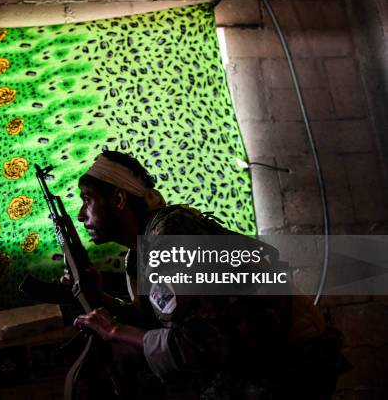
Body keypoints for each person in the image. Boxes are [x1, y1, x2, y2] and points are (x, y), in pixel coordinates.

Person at [71, 150, 349, 400]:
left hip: (291, 360)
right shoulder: (139, 255)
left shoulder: (170, 237)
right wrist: (98, 296)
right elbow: (155, 319)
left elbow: (199, 345)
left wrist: (116, 331)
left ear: (118, 199)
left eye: (88, 200)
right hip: (255, 357)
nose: (81, 214)